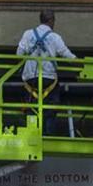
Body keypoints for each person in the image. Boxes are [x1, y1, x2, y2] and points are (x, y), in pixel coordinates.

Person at [17, 9, 76, 137]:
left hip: (30, 78)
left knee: (31, 105)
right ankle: (48, 134)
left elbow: (19, 54)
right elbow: (66, 54)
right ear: (52, 21)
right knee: (51, 105)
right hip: (49, 78)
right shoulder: (55, 37)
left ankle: (31, 132)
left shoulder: (28, 34)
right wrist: (79, 62)